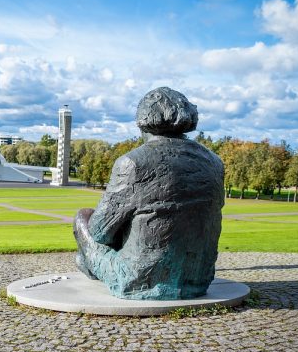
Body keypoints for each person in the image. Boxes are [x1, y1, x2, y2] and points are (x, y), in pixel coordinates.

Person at [73, 87, 224, 300]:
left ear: (143, 123)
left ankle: (91, 264)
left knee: (83, 218)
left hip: (138, 279)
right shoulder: (214, 162)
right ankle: (91, 263)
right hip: (198, 280)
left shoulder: (132, 163)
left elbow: (99, 232)